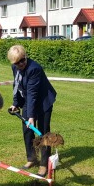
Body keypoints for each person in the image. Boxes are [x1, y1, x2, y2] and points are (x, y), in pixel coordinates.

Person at [7, 45, 57, 177]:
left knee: (43, 133)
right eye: (17, 62)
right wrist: (16, 103)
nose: (21, 64)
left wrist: (31, 116)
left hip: (43, 101)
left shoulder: (34, 69)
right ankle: (31, 158)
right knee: (27, 130)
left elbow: (32, 93)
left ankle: (44, 164)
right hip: (29, 101)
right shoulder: (15, 67)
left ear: (25, 56)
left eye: (22, 60)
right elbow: (16, 85)